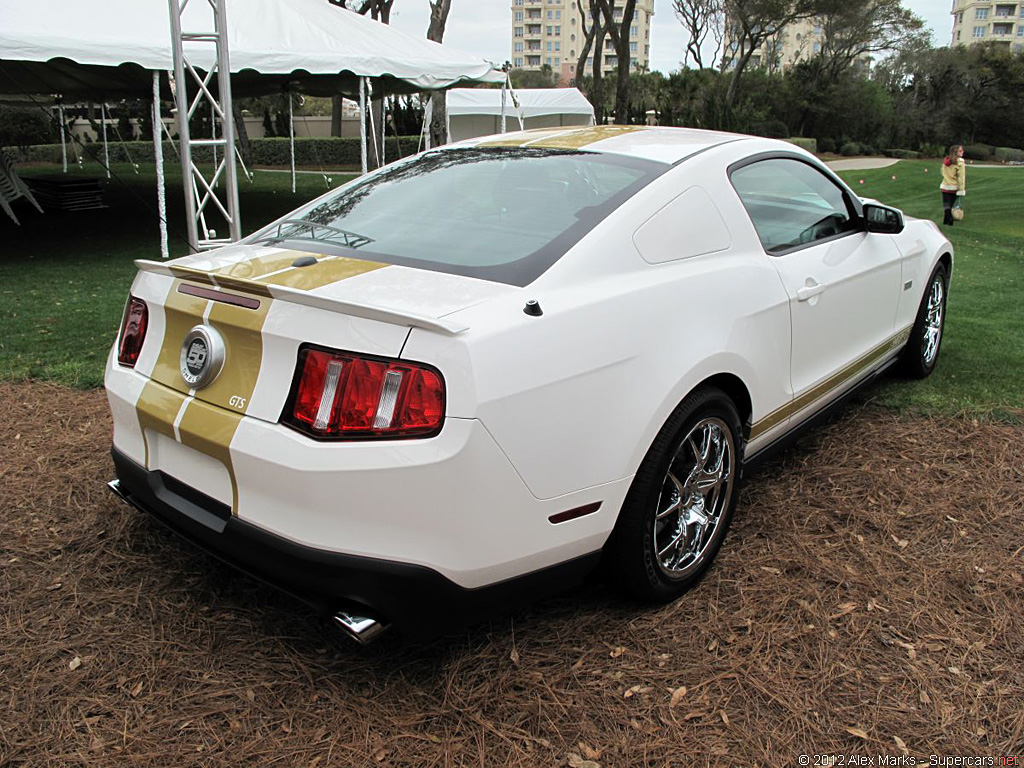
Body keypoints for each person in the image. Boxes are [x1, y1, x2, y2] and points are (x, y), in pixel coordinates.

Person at [940, 144, 966, 225]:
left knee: (946, 205)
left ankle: (945, 222)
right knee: (950, 206)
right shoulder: (960, 163)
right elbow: (961, 177)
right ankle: (950, 222)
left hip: (945, 186)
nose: (962, 152)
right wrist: (961, 189)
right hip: (954, 187)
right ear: (956, 152)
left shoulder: (946, 161)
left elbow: (942, 172)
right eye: (960, 151)